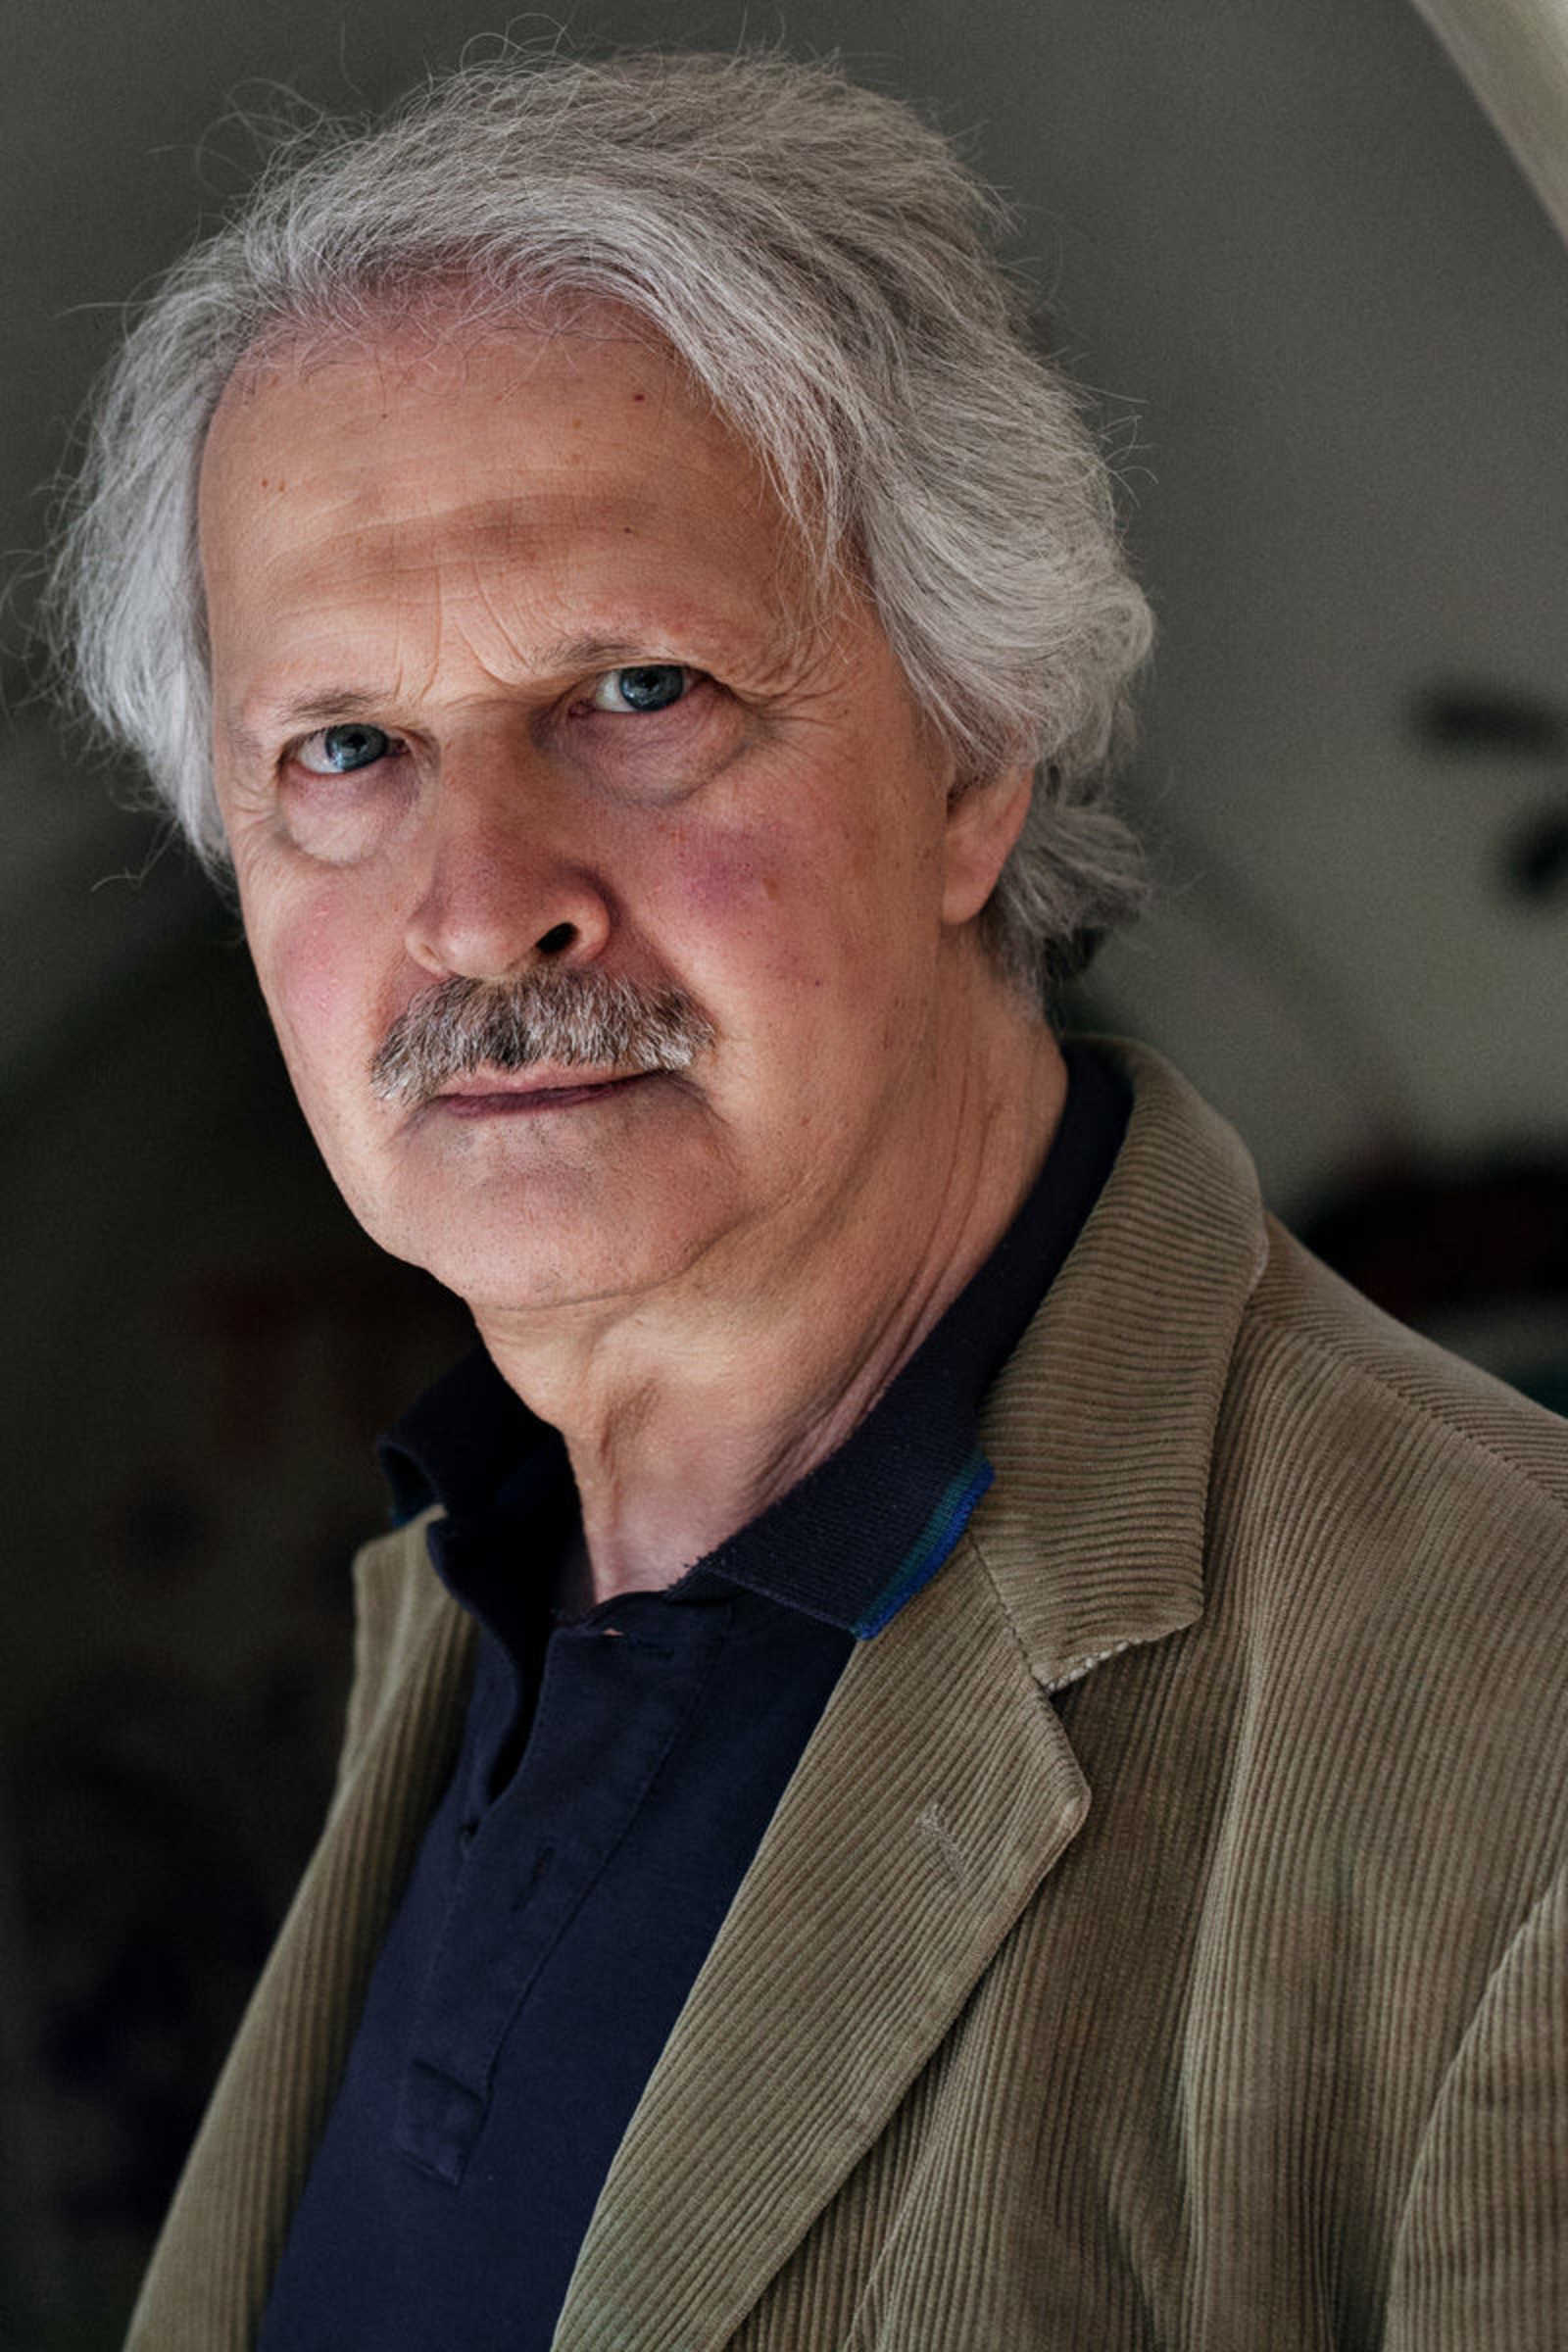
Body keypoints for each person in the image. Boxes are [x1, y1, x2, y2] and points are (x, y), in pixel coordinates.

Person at [49, 48, 1567, 2352]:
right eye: (343, 748)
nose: (482, 904)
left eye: (635, 691)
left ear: (973, 756)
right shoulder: (470, 1595)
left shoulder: (1509, 1738)